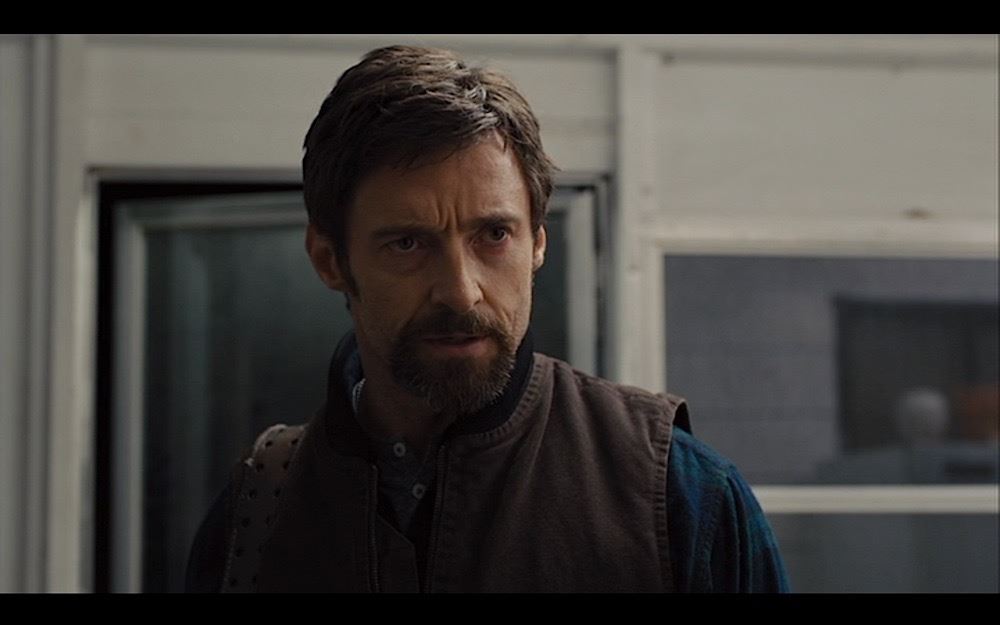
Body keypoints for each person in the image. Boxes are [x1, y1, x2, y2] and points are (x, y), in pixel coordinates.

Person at [185, 45, 790, 593]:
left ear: (537, 244)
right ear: (329, 259)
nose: (461, 291)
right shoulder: (259, 510)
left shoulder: (681, 495)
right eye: (408, 243)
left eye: (494, 234)